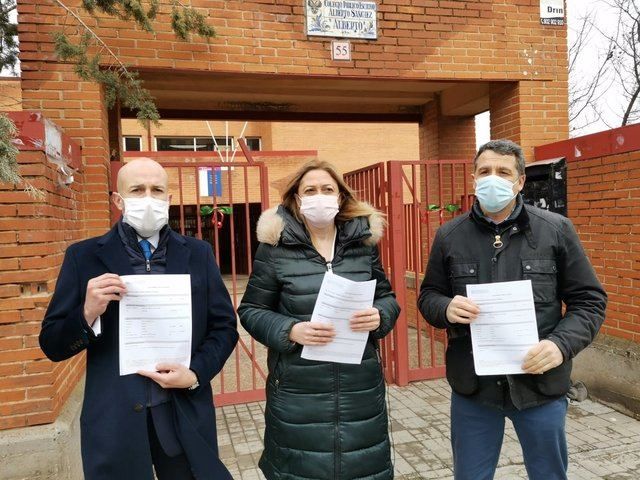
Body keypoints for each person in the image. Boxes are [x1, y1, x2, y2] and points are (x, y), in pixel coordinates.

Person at [417, 139, 607, 480]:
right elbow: (428, 295)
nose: (493, 178)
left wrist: (560, 345)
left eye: (503, 172)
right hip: (474, 389)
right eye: (484, 171)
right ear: (474, 178)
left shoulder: (555, 230)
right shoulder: (449, 235)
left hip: (540, 386)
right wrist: (445, 307)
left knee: (548, 474)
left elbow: (589, 301)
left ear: (520, 181)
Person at [39, 158, 238, 480]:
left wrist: (196, 374)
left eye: (157, 190)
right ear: (118, 200)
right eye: (137, 189)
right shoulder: (84, 256)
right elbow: (53, 345)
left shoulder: (198, 253)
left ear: (169, 199)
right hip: (115, 419)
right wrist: (88, 311)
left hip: (181, 413)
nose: (148, 197)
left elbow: (224, 327)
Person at [238, 160, 400, 480]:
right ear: (296, 200)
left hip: (360, 390)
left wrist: (380, 315)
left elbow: (387, 298)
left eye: (328, 189)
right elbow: (251, 310)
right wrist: (290, 330)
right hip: (298, 394)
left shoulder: (362, 244)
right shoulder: (275, 248)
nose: (319, 196)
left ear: (340, 197)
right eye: (309, 190)